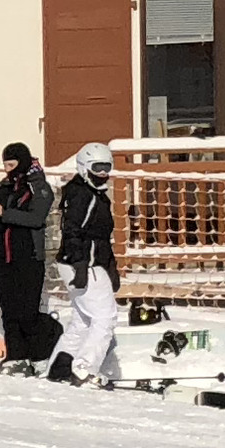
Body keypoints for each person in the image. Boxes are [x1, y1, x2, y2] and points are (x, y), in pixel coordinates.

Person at [0, 141, 58, 366]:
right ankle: (16, 356)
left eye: (12, 164)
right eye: (5, 164)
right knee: (9, 311)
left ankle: (42, 352)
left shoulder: (39, 186)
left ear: (23, 162)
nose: (8, 169)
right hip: (2, 256)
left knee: (28, 311)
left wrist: (5, 213)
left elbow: (36, 218)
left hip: (27, 255)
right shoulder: (3, 187)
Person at [51, 142, 125, 386]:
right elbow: (72, 231)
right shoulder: (83, 194)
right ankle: (84, 368)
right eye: (98, 168)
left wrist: (111, 266)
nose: (103, 174)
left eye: (107, 168)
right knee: (105, 317)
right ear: (84, 168)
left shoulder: (93, 193)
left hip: (87, 262)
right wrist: (81, 264)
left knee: (83, 319)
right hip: (82, 263)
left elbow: (101, 236)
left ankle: (60, 366)